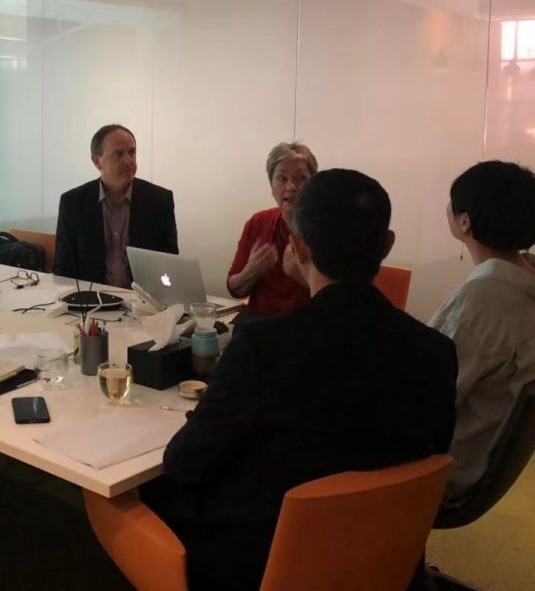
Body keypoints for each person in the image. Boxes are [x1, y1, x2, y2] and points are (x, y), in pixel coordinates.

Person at [149, 169, 457, 591]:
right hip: (383, 555)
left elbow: (183, 462)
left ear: (297, 246)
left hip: (261, 563)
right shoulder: (436, 352)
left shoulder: (262, 346)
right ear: (387, 245)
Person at [430, 161, 535, 505]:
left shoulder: (483, 301)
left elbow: (426, 394)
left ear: (465, 221)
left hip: (442, 467)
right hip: (477, 455)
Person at [54, 123, 178, 287]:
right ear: (97, 161)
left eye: (132, 152)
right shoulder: (73, 203)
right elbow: (64, 269)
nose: (128, 161)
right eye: (118, 154)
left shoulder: (159, 201)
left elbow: (169, 264)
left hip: (142, 299)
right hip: (91, 297)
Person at [226, 141, 317, 314]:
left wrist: (303, 274)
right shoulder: (258, 222)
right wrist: (251, 270)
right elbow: (235, 290)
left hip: (307, 323)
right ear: (271, 186)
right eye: (282, 178)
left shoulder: (327, 228)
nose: (291, 186)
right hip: (260, 322)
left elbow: (340, 299)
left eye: (301, 178)